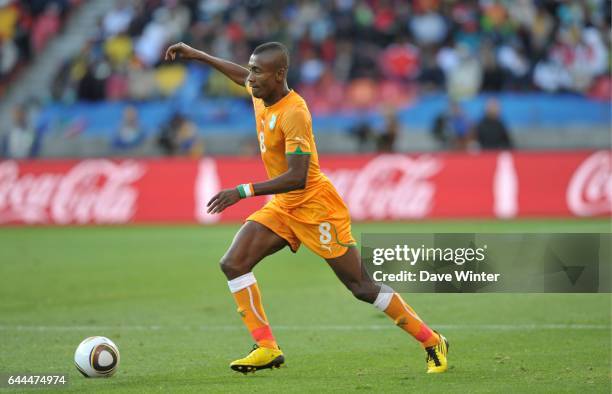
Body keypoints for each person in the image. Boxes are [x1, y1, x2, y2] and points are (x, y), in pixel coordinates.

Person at [165, 41, 449, 374]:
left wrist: (243, 191)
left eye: (257, 71)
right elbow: (238, 74)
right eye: (251, 69)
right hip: (285, 207)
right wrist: (198, 55)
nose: (250, 78)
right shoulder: (261, 93)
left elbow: (298, 177)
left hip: (316, 208)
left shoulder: (294, 112)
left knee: (361, 287)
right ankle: (267, 347)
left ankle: (432, 341)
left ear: (279, 74)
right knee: (234, 263)